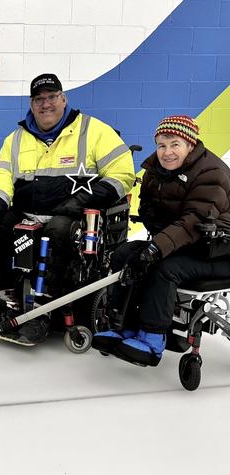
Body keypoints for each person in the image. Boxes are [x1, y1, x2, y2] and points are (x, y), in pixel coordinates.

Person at [0, 73, 136, 345]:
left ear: (63, 99)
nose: (46, 104)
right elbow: (0, 183)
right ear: (31, 104)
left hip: (72, 215)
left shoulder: (93, 130)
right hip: (28, 212)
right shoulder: (16, 139)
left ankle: (44, 310)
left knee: (56, 231)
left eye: (52, 97)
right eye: (39, 99)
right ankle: (9, 299)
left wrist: (83, 201)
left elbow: (122, 173)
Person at [92, 116, 230, 366]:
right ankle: (123, 328)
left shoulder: (212, 172)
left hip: (217, 251)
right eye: (161, 145)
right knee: (124, 255)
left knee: (163, 268)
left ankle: (152, 339)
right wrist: (153, 229)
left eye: (175, 144)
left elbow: (194, 221)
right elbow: (149, 208)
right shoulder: (155, 169)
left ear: (190, 144)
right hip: (180, 243)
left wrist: (157, 248)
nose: (167, 152)